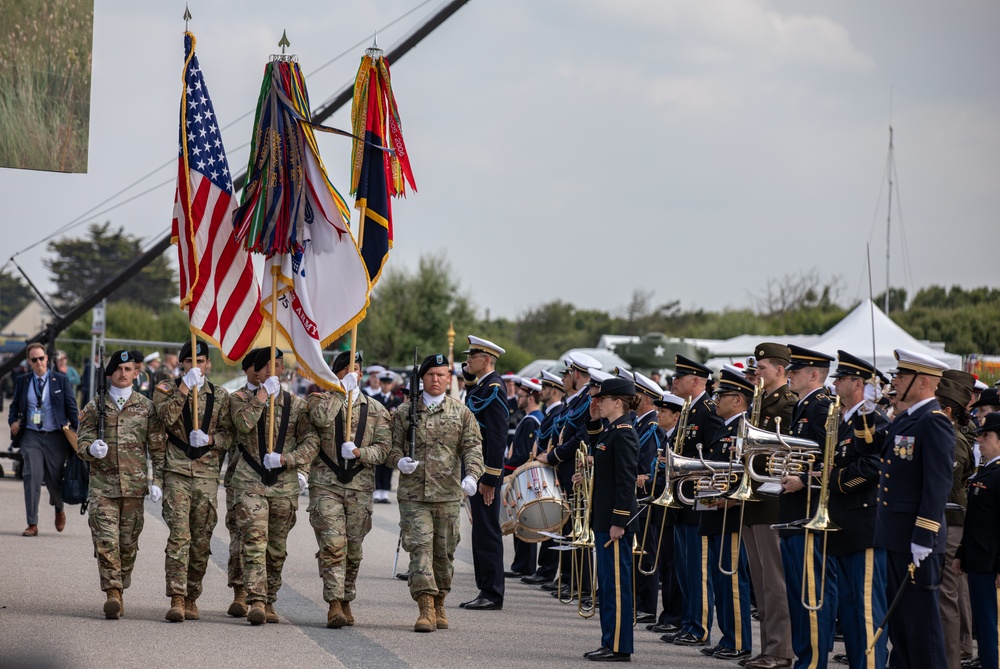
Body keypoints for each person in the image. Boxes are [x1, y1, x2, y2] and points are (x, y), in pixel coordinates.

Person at [387, 353, 484, 632]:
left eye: (442, 374)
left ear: (448, 378)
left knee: (444, 554)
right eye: (431, 374)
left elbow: (473, 447)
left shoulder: (461, 412)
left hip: (448, 495)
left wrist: (472, 475)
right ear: (422, 378)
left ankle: (441, 600)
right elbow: (391, 447)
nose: (436, 379)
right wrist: (398, 461)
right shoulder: (406, 412)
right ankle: (425, 608)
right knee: (419, 550)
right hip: (413, 496)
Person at [874, 348, 954, 669]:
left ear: (923, 382)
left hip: (916, 540)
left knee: (923, 629)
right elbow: (876, 449)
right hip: (896, 535)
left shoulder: (934, 422)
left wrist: (925, 534)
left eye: (902, 377)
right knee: (902, 626)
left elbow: (936, 484)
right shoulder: (907, 419)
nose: (896, 381)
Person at [229, 348, 317, 626]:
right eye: (267, 366)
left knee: (276, 548)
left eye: (277, 365)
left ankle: (269, 599)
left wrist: (290, 461)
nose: (273, 371)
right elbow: (242, 425)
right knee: (254, 542)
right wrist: (263, 396)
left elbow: (311, 442)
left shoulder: (296, 404)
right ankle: (255, 599)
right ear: (256, 371)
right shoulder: (239, 399)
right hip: (249, 481)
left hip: (283, 484)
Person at [76, 350, 165, 618]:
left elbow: (158, 449)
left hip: (134, 489)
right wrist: (91, 448)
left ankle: (121, 585)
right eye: (118, 369)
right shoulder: (94, 406)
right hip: (103, 487)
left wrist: (157, 480)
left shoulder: (146, 407)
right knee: (106, 541)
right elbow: (80, 444)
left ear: (137, 373)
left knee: (127, 544)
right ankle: (112, 593)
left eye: (128, 369)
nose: (123, 374)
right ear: (109, 374)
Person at [306, 349, 391, 628]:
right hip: (326, 484)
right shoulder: (320, 401)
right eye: (348, 369)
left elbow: (384, 450)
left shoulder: (376, 410)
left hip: (359, 486)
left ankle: (346, 598)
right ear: (337, 373)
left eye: (358, 370)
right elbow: (319, 420)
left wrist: (359, 453)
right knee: (332, 545)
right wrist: (341, 392)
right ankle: (333, 604)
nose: (355, 374)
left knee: (353, 548)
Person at [151, 338, 233, 623]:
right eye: (189, 362)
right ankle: (175, 596)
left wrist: (211, 439)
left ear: (207, 363)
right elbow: (164, 418)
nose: (196, 366)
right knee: (179, 536)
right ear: (182, 364)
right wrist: (185, 386)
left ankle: (191, 596)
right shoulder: (166, 389)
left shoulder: (221, 396)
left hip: (207, 475)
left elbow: (230, 435)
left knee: (200, 541)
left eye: (200, 362)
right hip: (176, 472)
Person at [826, 350, 889, 669]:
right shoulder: (843, 419)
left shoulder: (872, 421)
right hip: (844, 524)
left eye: (841, 378)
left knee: (866, 612)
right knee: (850, 612)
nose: (835, 383)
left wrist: (831, 479)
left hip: (864, 525)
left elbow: (873, 467)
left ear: (858, 383)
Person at [779, 344, 836, 669]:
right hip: (795, 511)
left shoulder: (819, 408)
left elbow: (830, 461)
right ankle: (807, 657)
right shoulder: (804, 407)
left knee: (810, 593)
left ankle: (813, 661)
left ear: (814, 375)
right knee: (798, 594)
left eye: (795, 372)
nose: (789, 377)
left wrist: (802, 478)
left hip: (808, 510)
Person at [740, 343, 795, 669]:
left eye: (761, 368)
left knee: (774, 583)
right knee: (761, 582)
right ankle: (768, 648)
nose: (756, 374)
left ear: (779, 370)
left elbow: (784, 452)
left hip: (772, 499)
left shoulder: (786, 404)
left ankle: (780, 651)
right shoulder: (759, 403)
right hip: (755, 499)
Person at [663, 354, 724, 647]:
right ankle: (688, 622)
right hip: (682, 499)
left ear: (696, 381)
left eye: (680, 377)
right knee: (685, 569)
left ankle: (699, 627)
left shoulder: (708, 411)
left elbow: (712, 459)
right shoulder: (689, 409)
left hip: (697, 500)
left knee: (697, 570)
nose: (674, 381)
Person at [697, 368, 754, 661]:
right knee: (720, 580)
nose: (715, 399)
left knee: (732, 579)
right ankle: (727, 636)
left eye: (721, 395)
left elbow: (746, 470)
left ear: (738, 400)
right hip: (714, 510)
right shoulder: (723, 428)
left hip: (731, 512)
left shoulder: (743, 428)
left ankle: (740, 640)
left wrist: (728, 495)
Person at [582, 377, 639, 663]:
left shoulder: (625, 433)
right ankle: (609, 641)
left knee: (616, 586)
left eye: (602, 399)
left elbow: (625, 481)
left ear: (618, 402)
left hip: (614, 522)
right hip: (604, 519)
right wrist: (593, 422)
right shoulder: (612, 430)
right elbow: (599, 450)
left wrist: (619, 521)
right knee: (607, 585)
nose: (598, 402)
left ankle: (618, 646)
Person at [8, 342, 79, 537]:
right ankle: (32, 523)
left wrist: (80, 434)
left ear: (47, 359)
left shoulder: (60, 380)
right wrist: (13, 421)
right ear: (29, 362)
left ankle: (58, 507)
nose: (38, 362)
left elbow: (72, 409)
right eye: (34, 359)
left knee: (53, 480)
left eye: (41, 358)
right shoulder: (23, 381)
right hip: (31, 435)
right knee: (32, 475)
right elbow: (14, 406)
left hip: (55, 437)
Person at [460, 335, 509, 610]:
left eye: (473, 356)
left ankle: (492, 592)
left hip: (485, 473)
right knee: (480, 530)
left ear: (486, 359)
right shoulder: (483, 385)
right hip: (476, 470)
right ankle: (485, 589)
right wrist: (467, 375)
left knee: (488, 531)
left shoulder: (494, 388)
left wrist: (489, 478)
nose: (468, 360)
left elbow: (498, 436)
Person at [936, 369, 978, 669]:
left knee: (946, 597)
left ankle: (951, 658)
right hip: (946, 520)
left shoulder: (953, 439)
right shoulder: (950, 435)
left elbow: (948, 484)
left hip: (950, 521)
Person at [956, 412, 1000, 669]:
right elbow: (973, 519)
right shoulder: (986, 470)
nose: (980, 441)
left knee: (990, 623)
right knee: (982, 624)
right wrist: (961, 553)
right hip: (977, 558)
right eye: (980, 436)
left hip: (991, 562)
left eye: (986, 436)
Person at [223, 347, 260, 618]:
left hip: (272, 480)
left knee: (263, 540)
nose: (267, 372)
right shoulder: (236, 398)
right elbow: (241, 426)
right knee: (239, 536)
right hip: (240, 477)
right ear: (249, 370)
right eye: (260, 366)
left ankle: (262, 595)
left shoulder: (283, 399)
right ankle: (240, 591)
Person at [522, 368, 566, 587]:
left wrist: (547, 456)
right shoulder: (551, 413)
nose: (542, 391)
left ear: (556, 392)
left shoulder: (559, 413)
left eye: (546, 387)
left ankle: (548, 569)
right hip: (545, 469)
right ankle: (545, 569)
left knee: (553, 522)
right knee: (548, 522)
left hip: (554, 471)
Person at [647, 391, 684, 635]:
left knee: (673, 565)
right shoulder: (665, 437)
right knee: (667, 564)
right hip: (662, 505)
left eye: (663, 412)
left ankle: (674, 615)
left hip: (674, 509)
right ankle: (668, 613)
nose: (658, 414)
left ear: (676, 415)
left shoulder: (676, 438)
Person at [631, 372, 665, 622]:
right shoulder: (640, 423)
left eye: (635, 394)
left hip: (645, 496)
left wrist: (641, 478)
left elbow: (648, 464)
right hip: (636, 495)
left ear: (644, 398)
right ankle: (638, 600)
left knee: (646, 550)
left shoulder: (651, 427)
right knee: (638, 548)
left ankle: (647, 606)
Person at [503, 377, 544, 577]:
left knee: (523, 520)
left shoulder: (531, 421)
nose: (517, 398)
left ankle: (523, 565)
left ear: (530, 398)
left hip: (522, 476)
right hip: (522, 474)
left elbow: (524, 455)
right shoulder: (532, 418)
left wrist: (503, 469)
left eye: (521, 395)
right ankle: (522, 564)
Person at [369, 369, 400, 504]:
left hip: (390, 436)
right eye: (383, 382)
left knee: (388, 464)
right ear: (380, 384)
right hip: (376, 435)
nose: (386, 385)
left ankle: (385, 492)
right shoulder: (374, 400)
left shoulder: (396, 401)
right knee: (377, 463)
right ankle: (377, 491)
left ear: (392, 385)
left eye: (388, 383)